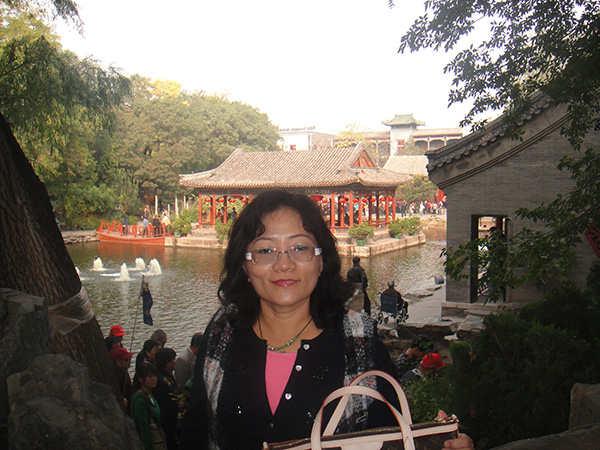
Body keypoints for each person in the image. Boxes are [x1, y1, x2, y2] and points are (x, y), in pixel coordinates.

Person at [179, 190, 473, 450]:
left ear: (321, 261)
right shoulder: (223, 332)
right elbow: (195, 433)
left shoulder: (359, 340)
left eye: (300, 248)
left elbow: (391, 439)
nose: (284, 264)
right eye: (265, 250)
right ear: (244, 265)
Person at [130, 362, 166, 450]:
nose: (154, 379)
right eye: (150, 377)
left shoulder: (150, 393)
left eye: (155, 376)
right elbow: (143, 429)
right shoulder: (139, 401)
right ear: (140, 379)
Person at [154, 348, 181, 450]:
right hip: (167, 422)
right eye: (173, 359)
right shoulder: (161, 381)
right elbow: (164, 404)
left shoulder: (168, 376)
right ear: (167, 363)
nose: (175, 361)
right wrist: (178, 405)